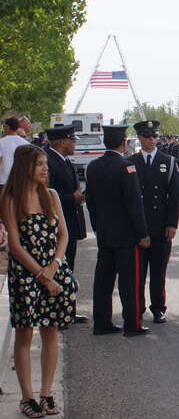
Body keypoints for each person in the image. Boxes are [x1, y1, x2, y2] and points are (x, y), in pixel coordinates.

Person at [2, 144, 79, 418]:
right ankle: (28, 397)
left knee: (51, 332)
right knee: (24, 333)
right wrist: (42, 275)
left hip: (54, 271)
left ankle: (46, 393)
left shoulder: (52, 196)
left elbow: (64, 236)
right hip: (26, 275)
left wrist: (54, 266)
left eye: (46, 163)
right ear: (26, 167)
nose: (45, 168)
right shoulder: (10, 198)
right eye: (39, 164)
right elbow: (15, 245)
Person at [85, 125, 150, 336]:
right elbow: (134, 205)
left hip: (105, 234)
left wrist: (97, 228)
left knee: (103, 281)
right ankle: (133, 325)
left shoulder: (93, 167)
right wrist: (143, 234)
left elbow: (91, 203)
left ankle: (101, 322)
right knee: (129, 282)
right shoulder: (127, 167)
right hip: (127, 237)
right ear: (124, 142)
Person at [130, 120, 179, 323]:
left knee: (158, 272)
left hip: (160, 226)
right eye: (147, 136)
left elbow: (175, 195)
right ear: (140, 138)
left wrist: (172, 224)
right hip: (138, 226)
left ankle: (158, 308)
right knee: (138, 272)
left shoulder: (168, 161)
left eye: (154, 136)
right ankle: (138, 307)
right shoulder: (131, 161)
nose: (151, 140)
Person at [43, 124, 88, 324]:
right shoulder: (48, 161)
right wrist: (72, 198)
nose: (75, 144)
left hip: (70, 222)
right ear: (62, 142)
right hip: (59, 225)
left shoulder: (65, 160)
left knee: (67, 270)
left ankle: (67, 309)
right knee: (59, 269)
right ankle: (57, 312)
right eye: (72, 140)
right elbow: (46, 195)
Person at [0, 115, 30, 192]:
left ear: (6, 126)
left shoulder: (1, 142)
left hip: (3, 181)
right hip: (20, 181)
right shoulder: (26, 143)